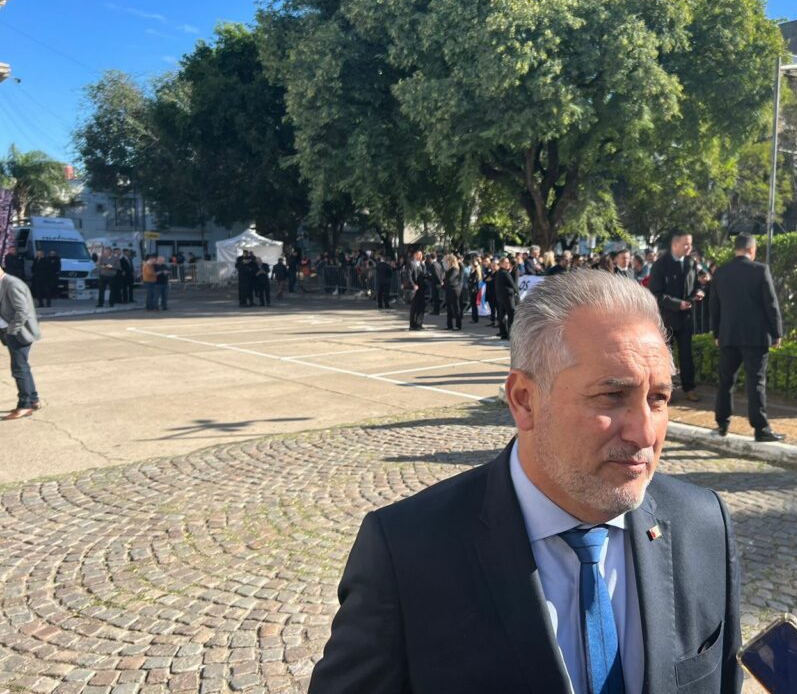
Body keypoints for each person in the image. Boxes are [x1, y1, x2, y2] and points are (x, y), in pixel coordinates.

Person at [309, 270, 742, 694]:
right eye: (612, 396)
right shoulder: (407, 552)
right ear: (524, 400)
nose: (645, 433)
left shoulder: (704, 526)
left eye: (658, 399)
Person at [709, 234, 785, 442]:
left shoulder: (721, 272)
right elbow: (771, 304)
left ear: (736, 249)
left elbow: (714, 306)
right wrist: (777, 332)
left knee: (725, 381)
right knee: (756, 382)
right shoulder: (760, 270)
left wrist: (716, 333)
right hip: (755, 336)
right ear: (752, 249)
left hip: (728, 334)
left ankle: (722, 424)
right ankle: (761, 429)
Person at [648, 233, 704, 403]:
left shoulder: (690, 263)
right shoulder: (660, 265)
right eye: (686, 244)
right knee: (666, 356)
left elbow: (696, 285)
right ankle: (665, 391)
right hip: (667, 318)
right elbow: (655, 293)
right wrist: (676, 304)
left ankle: (689, 388)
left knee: (687, 355)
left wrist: (699, 291)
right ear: (675, 244)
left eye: (690, 244)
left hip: (686, 318)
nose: (689, 248)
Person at [0, 262, 42, 420]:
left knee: (19, 369)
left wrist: (12, 331)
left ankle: (25, 405)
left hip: (18, 334)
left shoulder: (12, 284)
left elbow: (22, 311)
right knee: (23, 367)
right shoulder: (4, 283)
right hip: (10, 332)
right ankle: (33, 399)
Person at [493, 256, 518, 340]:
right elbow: (513, 284)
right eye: (506, 263)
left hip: (501, 297)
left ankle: (503, 333)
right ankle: (510, 334)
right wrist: (517, 293)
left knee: (502, 315)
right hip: (508, 296)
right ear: (501, 264)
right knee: (511, 314)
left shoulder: (499, 272)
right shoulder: (505, 273)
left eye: (508, 263)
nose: (508, 264)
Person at [407, 250, 428, 331]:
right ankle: (413, 325)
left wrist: (423, 264)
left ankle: (419, 323)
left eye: (421, 255)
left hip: (422, 288)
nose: (420, 256)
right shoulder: (411, 263)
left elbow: (425, 274)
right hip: (415, 288)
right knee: (414, 307)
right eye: (418, 254)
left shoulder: (422, 264)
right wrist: (413, 284)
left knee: (421, 306)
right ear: (415, 255)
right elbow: (409, 276)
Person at [443, 254, 464, 330]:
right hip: (449, 290)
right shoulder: (449, 269)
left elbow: (450, 279)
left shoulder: (455, 269)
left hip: (454, 290)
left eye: (446, 261)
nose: (445, 262)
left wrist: (443, 283)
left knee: (456, 308)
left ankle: (458, 325)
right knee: (449, 308)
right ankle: (449, 325)